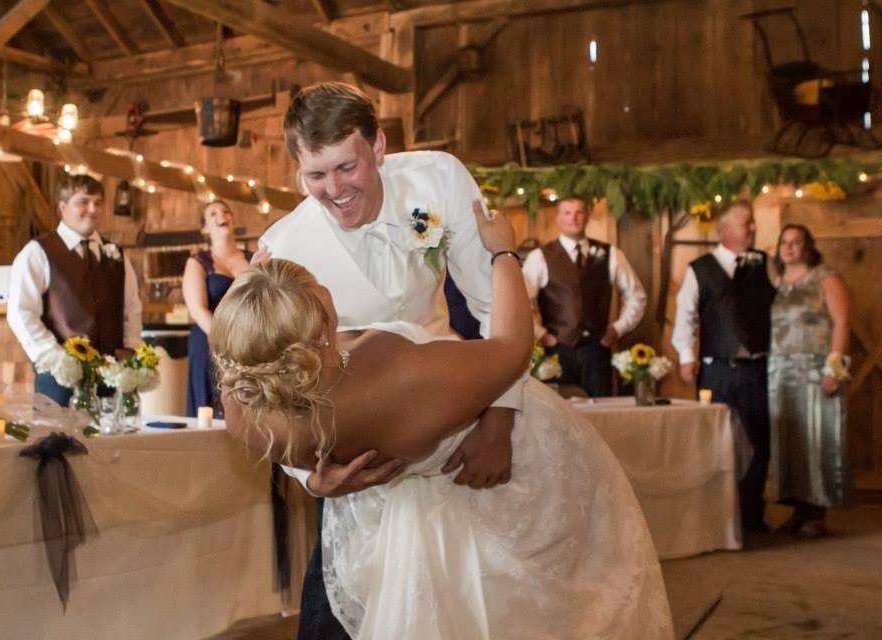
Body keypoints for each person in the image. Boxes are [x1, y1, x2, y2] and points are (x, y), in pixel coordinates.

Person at [211, 204, 673, 640]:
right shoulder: (399, 380)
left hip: (401, 504)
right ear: (318, 327)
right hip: (514, 469)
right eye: (317, 285)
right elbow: (512, 349)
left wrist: (313, 483)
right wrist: (504, 253)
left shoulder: (246, 405)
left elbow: (226, 344)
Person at [260, 81, 524, 640]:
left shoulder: (438, 179)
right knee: (340, 617)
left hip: (452, 414)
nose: (333, 190)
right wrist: (310, 479)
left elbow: (488, 303)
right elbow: (269, 385)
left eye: (346, 167)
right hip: (359, 447)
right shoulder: (283, 247)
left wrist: (500, 419)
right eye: (314, 175)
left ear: (378, 146)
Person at [672, 200, 776, 537]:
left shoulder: (764, 264)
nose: (754, 229)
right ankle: (719, 517)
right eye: (748, 223)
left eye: (754, 223)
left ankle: (751, 516)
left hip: (759, 369)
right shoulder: (700, 268)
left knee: (760, 443)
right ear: (725, 230)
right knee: (718, 442)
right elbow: (685, 314)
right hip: (716, 369)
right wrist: (686, 356)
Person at [7, 174, 142, 406]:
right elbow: (21, 312)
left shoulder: (117, 255)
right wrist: (54, 357)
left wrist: (129, 351)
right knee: (58, 442)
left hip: (112, 378)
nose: (93, 209)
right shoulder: (38, 252)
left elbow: (131, 309)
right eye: (83, 202)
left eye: (98, 202)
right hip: (60, 380)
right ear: (63, 207)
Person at [769, 224, 853, 539]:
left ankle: (817, 512)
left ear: (807, 247)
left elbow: (842, 322)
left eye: (796, 242)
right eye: (784, 243)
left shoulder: (824, 278)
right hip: (780, 372)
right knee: (791, 440)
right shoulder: (776, 284)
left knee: (818, 439)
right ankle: (798, 509)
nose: (789, 248)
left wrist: (835, 367)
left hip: (816, 370)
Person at [523, 196, 647, 397]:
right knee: (558, 417)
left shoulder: (611, 254)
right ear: (558, 218)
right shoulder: (540, 256)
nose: (574, 218)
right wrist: (541, 335)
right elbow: (522, 302)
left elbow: (636, 296)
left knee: (601, 416)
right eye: (567, 213)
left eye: (579, 212)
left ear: (587, 216)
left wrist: (617, 329)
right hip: (557, 351)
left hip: (597, 350)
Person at [183, 199, 254, 418]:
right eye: (213, 213)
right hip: (210, 342)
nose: (221, 215)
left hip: (249, 344)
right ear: (205, 227)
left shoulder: (253, 259)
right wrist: (227, 343)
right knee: (211, 410)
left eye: (225, 211)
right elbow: (198, 310)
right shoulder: (197, 262)